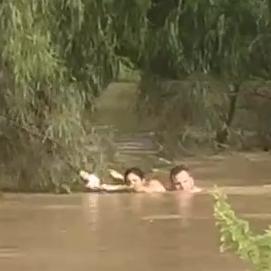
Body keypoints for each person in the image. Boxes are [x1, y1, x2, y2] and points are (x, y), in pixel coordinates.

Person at [79, 167, 166, 193]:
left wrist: (114, 188)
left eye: (135, 180)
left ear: (143, 180)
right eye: (129, 181)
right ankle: (121, 177)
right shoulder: (130, 187)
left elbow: (139, 189)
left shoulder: (153, 183)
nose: (132, 184)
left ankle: (121, 177)